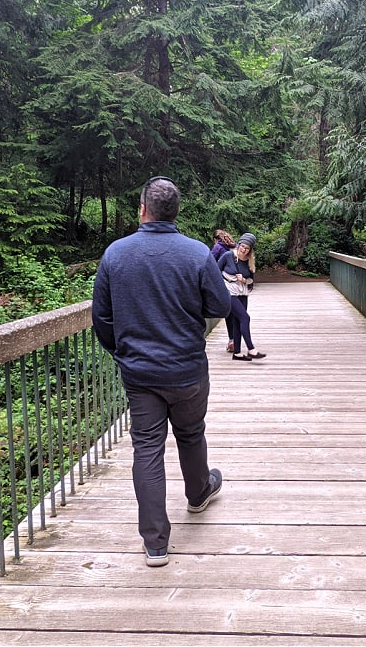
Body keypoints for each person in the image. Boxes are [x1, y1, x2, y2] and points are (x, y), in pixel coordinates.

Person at [92, 176, 232, 567]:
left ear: (142, 209)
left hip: (140, 374)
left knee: (147, 448)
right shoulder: (195, 254)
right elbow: (220, 306)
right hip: (187, 367)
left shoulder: (116, 254)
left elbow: (101, 316)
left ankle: (155, 543)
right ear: (176, 212)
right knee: (190, 433)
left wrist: (121, 351)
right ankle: (198, 493)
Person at [218, 232, 266, 361]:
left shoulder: (250, 261)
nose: (243, 250)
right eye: (242, 246)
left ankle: (237, 353)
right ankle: (251, 349)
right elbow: (215, 271)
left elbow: (251, 281)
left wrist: (244, 280)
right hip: (229, 291)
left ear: (250, 250)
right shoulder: (228, 256)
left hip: (243, 293)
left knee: (237, 321)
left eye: (247, 248)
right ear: (239, 245)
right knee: (245, 317)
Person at [210, 230, 237, 352]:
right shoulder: (235, 247)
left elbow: (210, 263)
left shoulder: (218, 247)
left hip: (225, 283)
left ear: (216, 239)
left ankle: (232, 339)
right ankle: (237, 339)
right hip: (238, 284)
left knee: (229, 312)